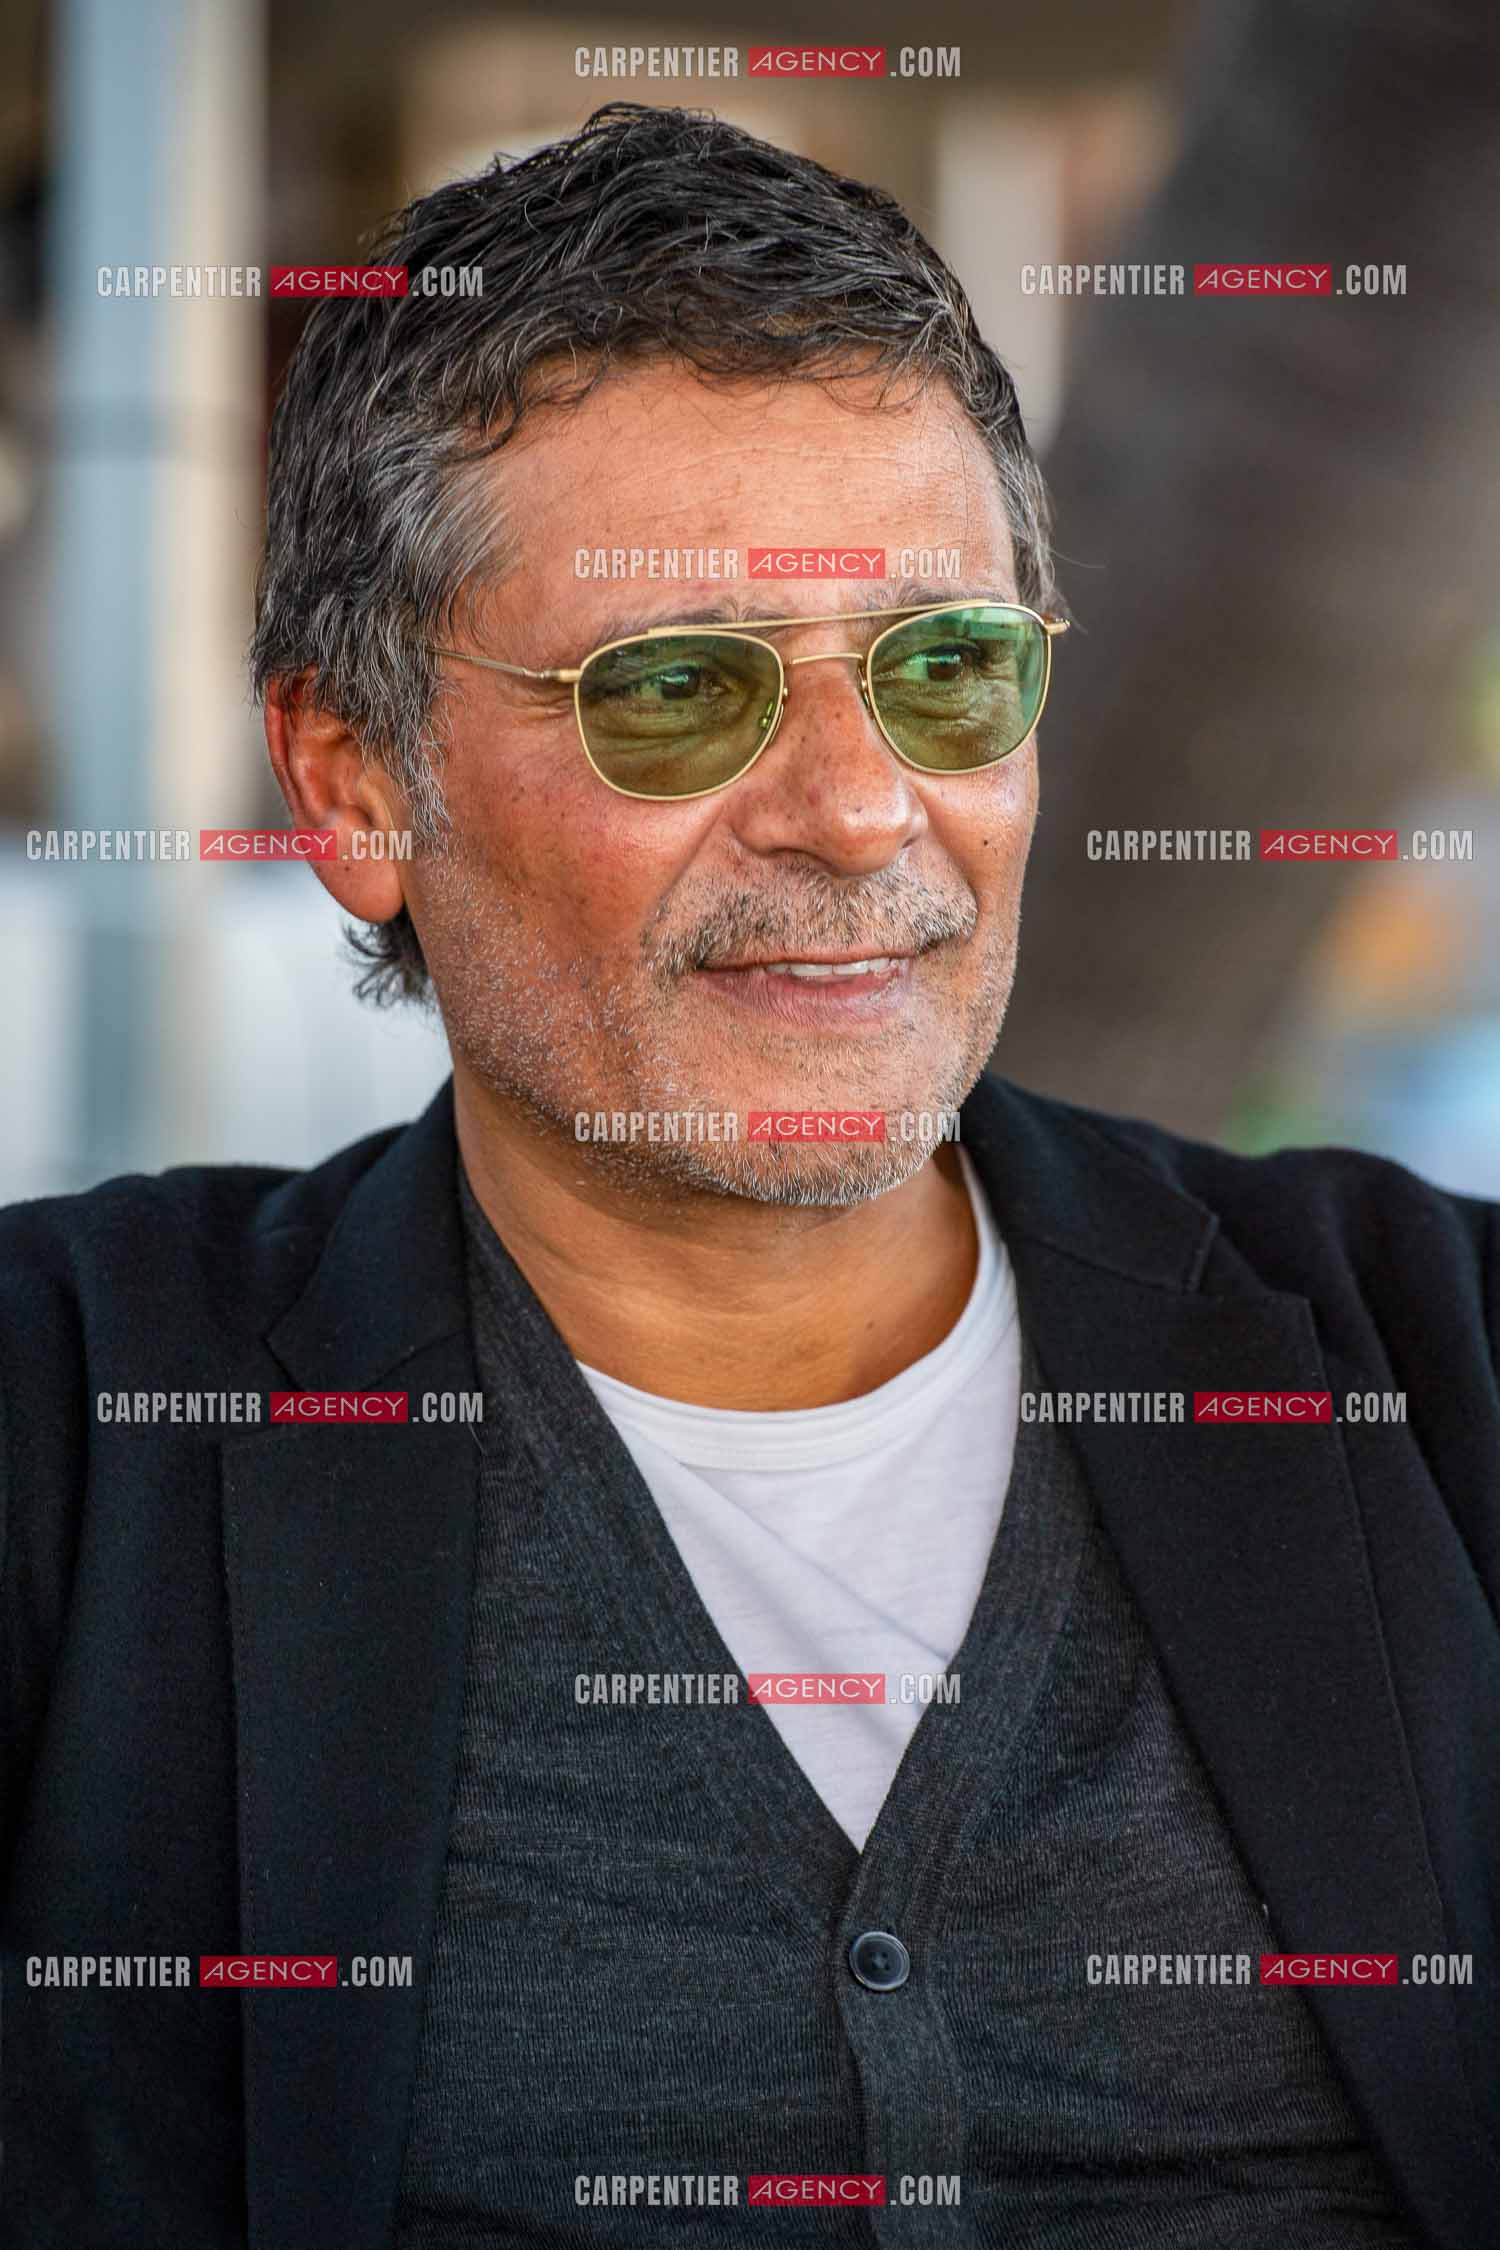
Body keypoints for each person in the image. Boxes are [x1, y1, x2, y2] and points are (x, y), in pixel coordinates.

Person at [3, 101, 1497, 2250]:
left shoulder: (1431, 1366)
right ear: (352, 782)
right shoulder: (83, 1434)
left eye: (946, 670)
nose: (861, 812)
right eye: (681, 688)